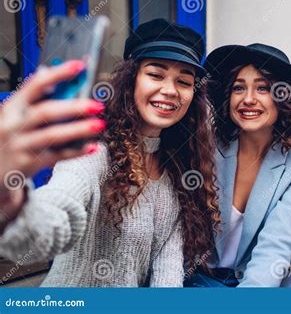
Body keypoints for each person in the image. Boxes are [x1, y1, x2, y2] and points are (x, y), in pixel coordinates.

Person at [0, 18, 220, 287]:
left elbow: (168, 277)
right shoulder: (94, 154)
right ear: (131, 81)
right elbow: (47, 226)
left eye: (184, 82)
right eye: (155, 74)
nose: (170, 90)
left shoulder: (180, 174)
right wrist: (8, 196)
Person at [185, 43, 291, 287]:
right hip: (199, 282)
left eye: (262, 88)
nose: (248, 99)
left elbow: (277, 246)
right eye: (239, 88)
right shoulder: (203, 147)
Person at [0, 60, 105, 233]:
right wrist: (8, 202)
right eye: (155, 75)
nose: (167, 90)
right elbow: (49, 223)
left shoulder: (165, 160)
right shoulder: (89, 156)